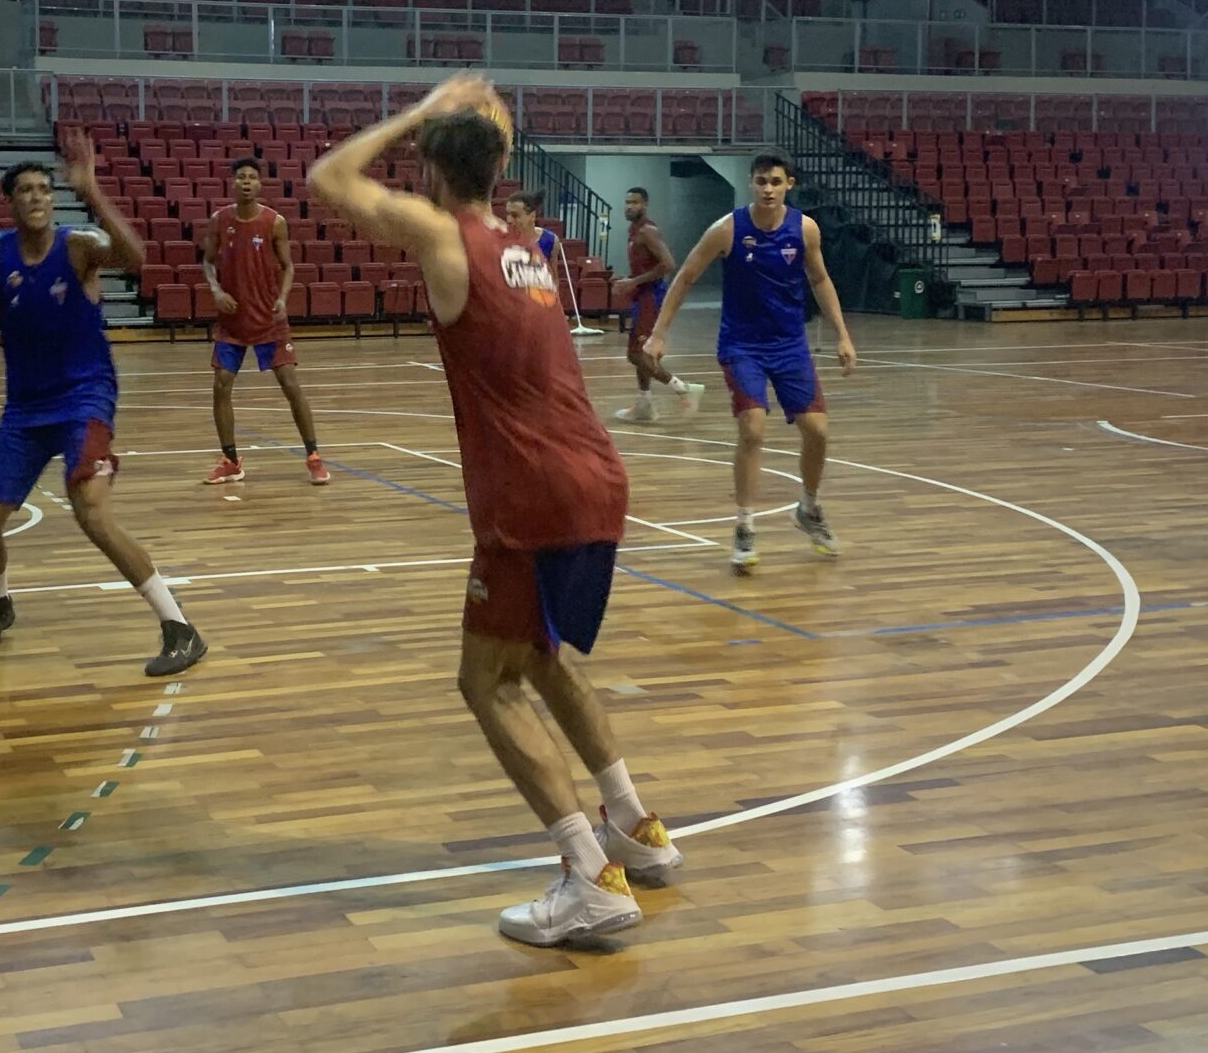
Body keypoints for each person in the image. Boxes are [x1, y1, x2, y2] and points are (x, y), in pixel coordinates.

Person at [310, 75, 681, 948]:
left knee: (486, 681)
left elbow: (330, 179)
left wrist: (413, 115)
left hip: (532, 492)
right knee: (542, 658)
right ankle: (635, 825)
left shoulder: (450, 237)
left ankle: (591, 878)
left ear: (432, 168)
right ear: (502, 161)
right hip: (596, 475)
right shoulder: (530, 248)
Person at [0, 136, 207, 676]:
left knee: (90, 512)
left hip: (83, 398)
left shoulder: (78, 245)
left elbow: (135, 259)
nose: (37, 196)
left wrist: (92, 190)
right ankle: (0, 604)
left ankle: (179, 627)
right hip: (25, 409)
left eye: (45, 188)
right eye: (25, 189)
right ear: (11, 201)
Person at [647, 153, 857, 572]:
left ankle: (809, 509)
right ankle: (744, 528)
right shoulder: (726, 230)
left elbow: (819, 279)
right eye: (761, 181)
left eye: (775, 182)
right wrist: (659, 332)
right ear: (751, 183)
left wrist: (842, 335)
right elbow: (686, 276)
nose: (767, 188)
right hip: (742, 345)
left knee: (817, 431)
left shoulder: (805, 229)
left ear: (789, 185)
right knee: (752, 426)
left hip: (790, 344)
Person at [201, 156, 328, 487]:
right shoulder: (219, 220)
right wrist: (215, 289)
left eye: (252, 177)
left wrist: (283, 298)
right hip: (232, 322)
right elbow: (207, 261)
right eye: (241, 176)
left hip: (269, 320)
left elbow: (288, 267)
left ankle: (314, 456)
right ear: (233, 183)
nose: (246, 181)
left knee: (290, 385)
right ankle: (230, 461)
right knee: (220, 386)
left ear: (260, 184)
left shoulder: (275, 222)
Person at [611, 187, 700, 423]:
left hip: (651, 296)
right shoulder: (634, 230)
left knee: (636, 354)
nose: (629, 206)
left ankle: (681, 387)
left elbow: (668, 264)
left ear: (645, 205)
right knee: (642, 352)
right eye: (627, 202)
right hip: (642, 295)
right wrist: (628, 279)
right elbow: (645, 267)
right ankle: (645, 405)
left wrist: (634, 281)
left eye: (635, 202)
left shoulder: (648, 231)